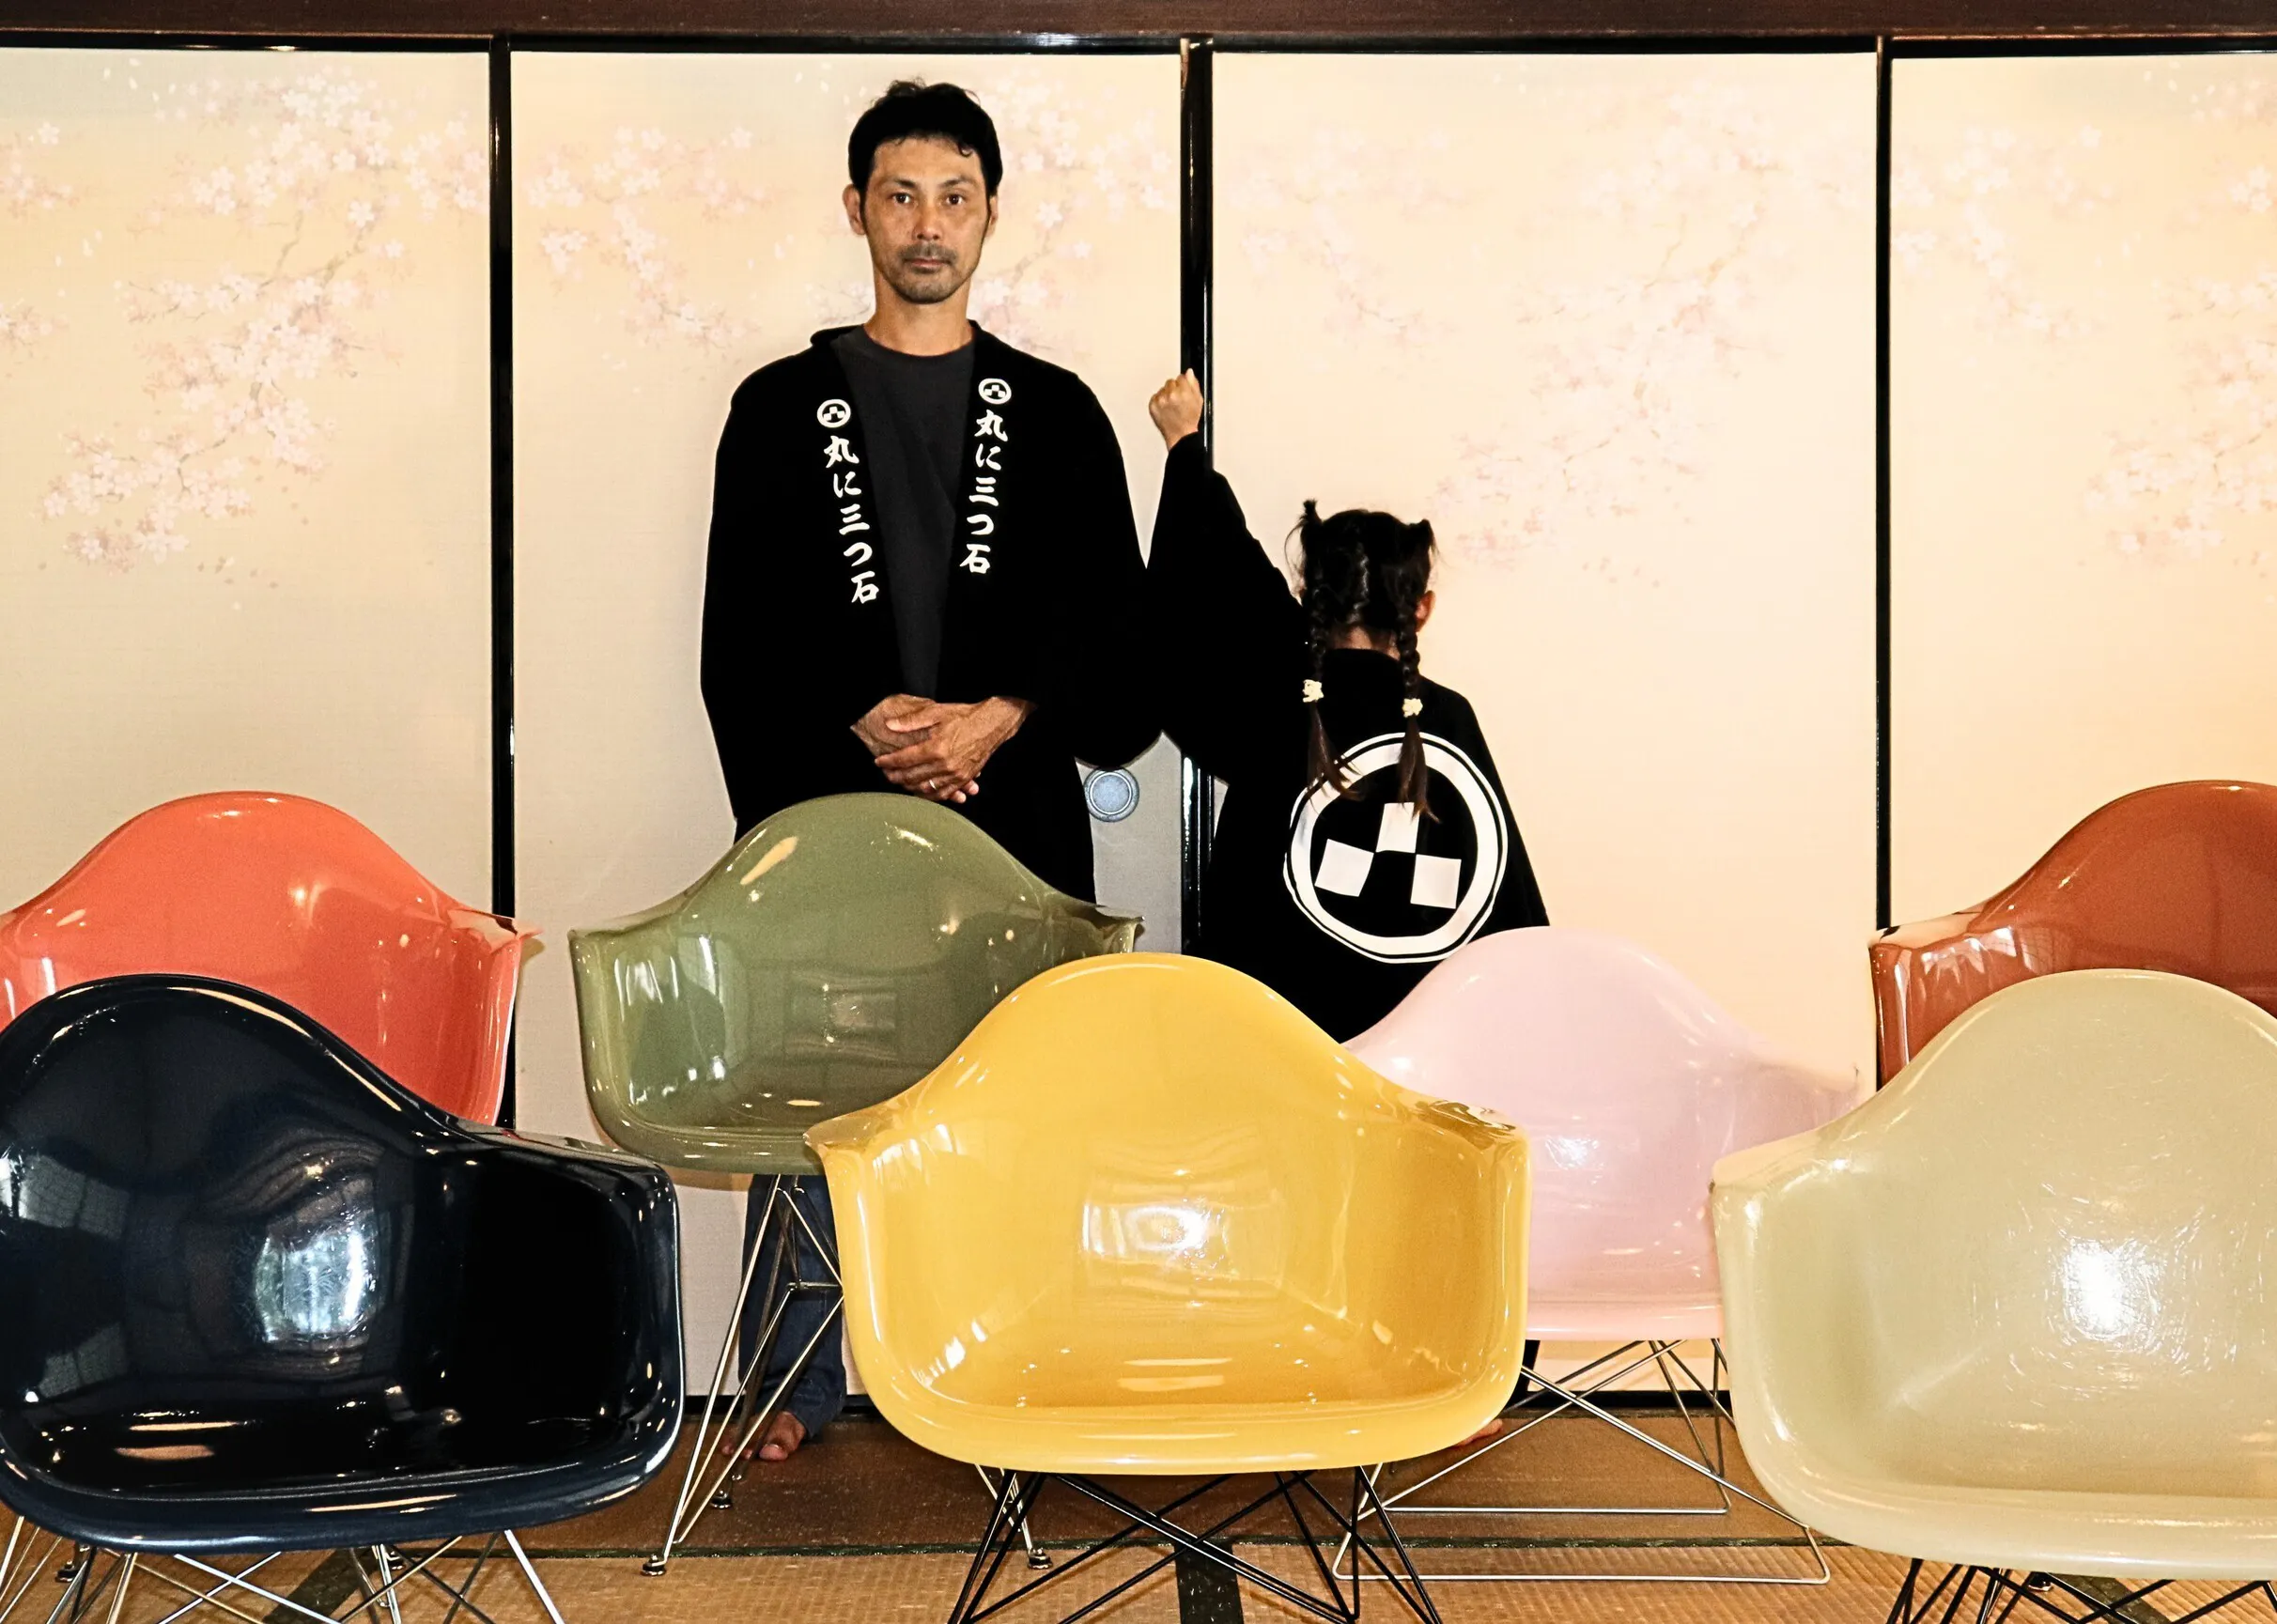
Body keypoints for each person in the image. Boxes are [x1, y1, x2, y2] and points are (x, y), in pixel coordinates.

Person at [700, 81, 1155, 1462]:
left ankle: (1016, 1355)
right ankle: (797, 1375)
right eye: (900, 195)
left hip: (1014, 821)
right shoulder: (779, 408)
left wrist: (999, 718)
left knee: (1022, 1100)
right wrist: (859, 723)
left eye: (954, 197)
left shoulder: (1059, 414)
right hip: (831, 817)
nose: (927, 225)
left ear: (990, 216)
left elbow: (1115, 635)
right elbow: (738, 637)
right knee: (821, 1093)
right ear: (857, 211)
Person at [1142, 371, 1548, 1043]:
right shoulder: (1450, 719)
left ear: (1308, 599)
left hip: (1279, 1061)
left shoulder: (1272, 702)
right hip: (1423, 1067)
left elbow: (1219, 568)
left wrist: (1184, 442)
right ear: (1422, 608)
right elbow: (1511, 932)